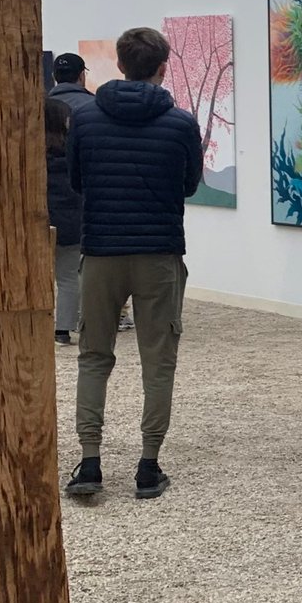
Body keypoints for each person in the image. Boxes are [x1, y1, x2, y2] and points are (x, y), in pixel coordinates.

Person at [64, 28, 202, 501]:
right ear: (162, 65)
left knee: (94, 356)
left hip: (101, 249)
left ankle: (90, 460)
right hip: (159, 251)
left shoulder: (85, 120)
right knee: (158, 360)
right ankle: (148, 463)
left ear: (119, 65)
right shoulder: (181, 123)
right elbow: (189, 185)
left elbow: (77, 180)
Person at [50, 52, 132, 333]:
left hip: (43, 206)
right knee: (78, 268)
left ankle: (44, 324)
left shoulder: (38, 107)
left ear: (53, 77)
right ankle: (87, 320)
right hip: (85, 202)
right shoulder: (94, 107)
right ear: (81, 75)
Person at [45, 98, 84, 345]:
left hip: (39, 223)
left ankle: (36, 322)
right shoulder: (75, 154)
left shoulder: (29, 155)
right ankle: (63, 329)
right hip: (71, 224)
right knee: (69, 277)